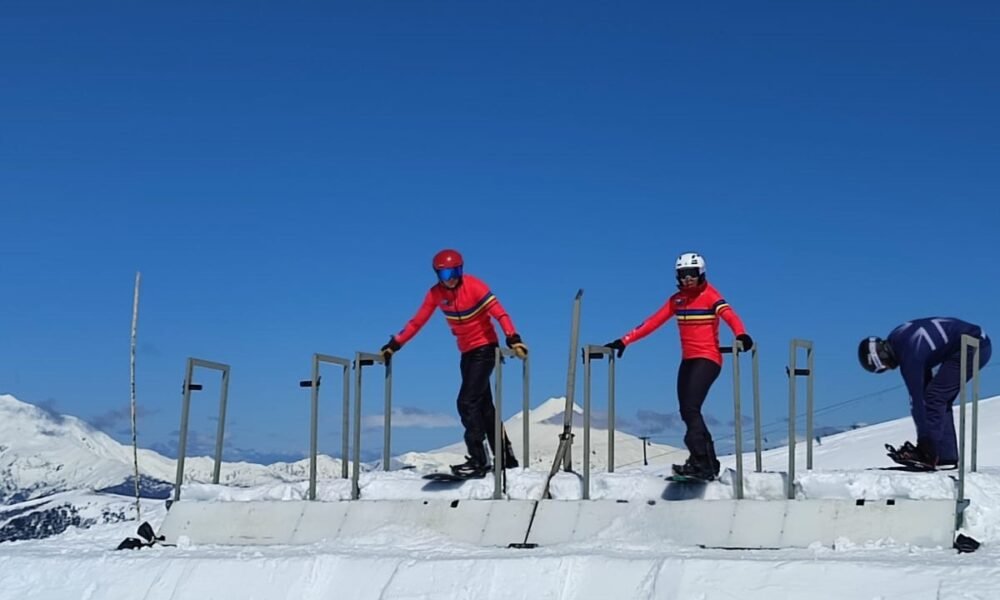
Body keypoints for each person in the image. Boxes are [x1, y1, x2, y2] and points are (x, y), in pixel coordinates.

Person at [379, 249, 528, 477]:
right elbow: (417, 321)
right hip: (466, 353)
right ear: (437, 274)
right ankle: (506, 458)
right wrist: (395, 345)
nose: (451, 278)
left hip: (485, 348)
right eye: (445, 273)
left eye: (455, 271)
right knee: (485, 408)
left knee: (466, 402)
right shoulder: (436, 294)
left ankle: (479, 459)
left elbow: (500, 313)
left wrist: (513, 338)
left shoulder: (474, 286)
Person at [604, 252, 752, 481]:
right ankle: (708, 463)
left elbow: (730, 316)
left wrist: (742, 335)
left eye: (692, 274)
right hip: (688, 360)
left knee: (691, 408)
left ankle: (701, 462)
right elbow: (652, 322)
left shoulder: (710, 296)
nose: (687, 279)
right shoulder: (677, 300)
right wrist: (624, 340)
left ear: (701, 274)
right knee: (687, 411)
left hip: (708, 358)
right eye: (683, 275)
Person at [859, 317, 991, 469]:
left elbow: (917, 401)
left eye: (885, 366)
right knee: (937, 397)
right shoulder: (897, 338)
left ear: (882, 355)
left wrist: (924, 443)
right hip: (972, 341)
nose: (889, 368)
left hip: (974, 345)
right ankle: (945, 456)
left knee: (935, 397)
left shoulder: (910, 357)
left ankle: (934, 453)